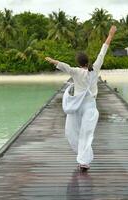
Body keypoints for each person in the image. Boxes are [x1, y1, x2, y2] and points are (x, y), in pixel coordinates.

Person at [45, 25, 117, 172]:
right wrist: (110, 35)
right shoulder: (95, 69)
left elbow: (63, 66)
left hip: (77, 106)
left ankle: (83, 160)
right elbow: (102, 52)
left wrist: (52, 60)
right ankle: (83, 160)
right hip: (90, 107)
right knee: (86, 133)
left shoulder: (75, 72)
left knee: (72, 131)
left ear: (78, 62)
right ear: (87, 61)